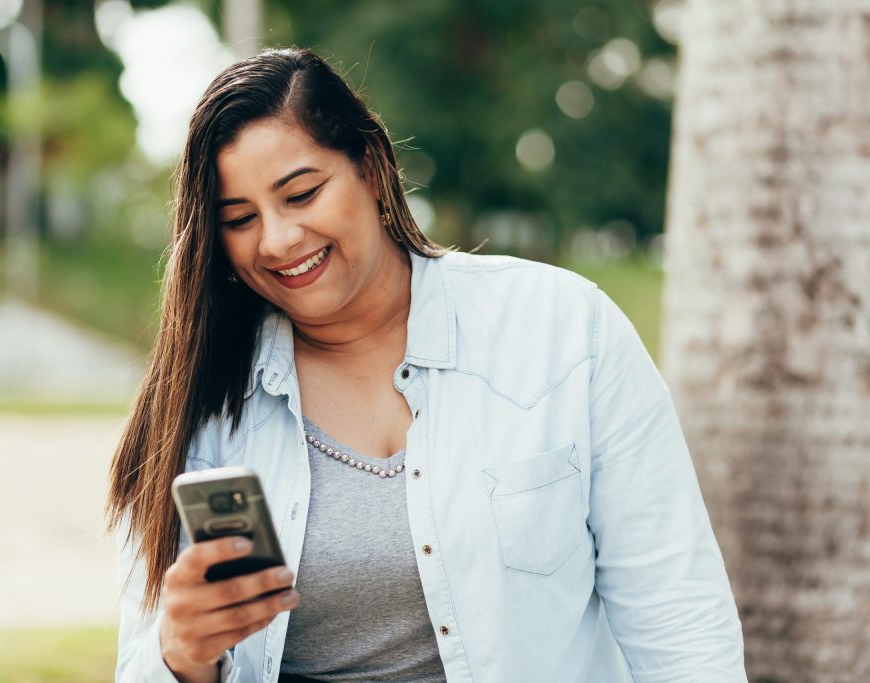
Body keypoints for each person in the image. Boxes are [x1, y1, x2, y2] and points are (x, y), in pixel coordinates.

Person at [108, 47, 746, 683]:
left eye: (301, 194)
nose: (276, 240)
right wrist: (182, 656)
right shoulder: (201, 400)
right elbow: (141, 663)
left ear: (371, 164)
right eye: (240, 219)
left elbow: (677, 611)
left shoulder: (564, 327)